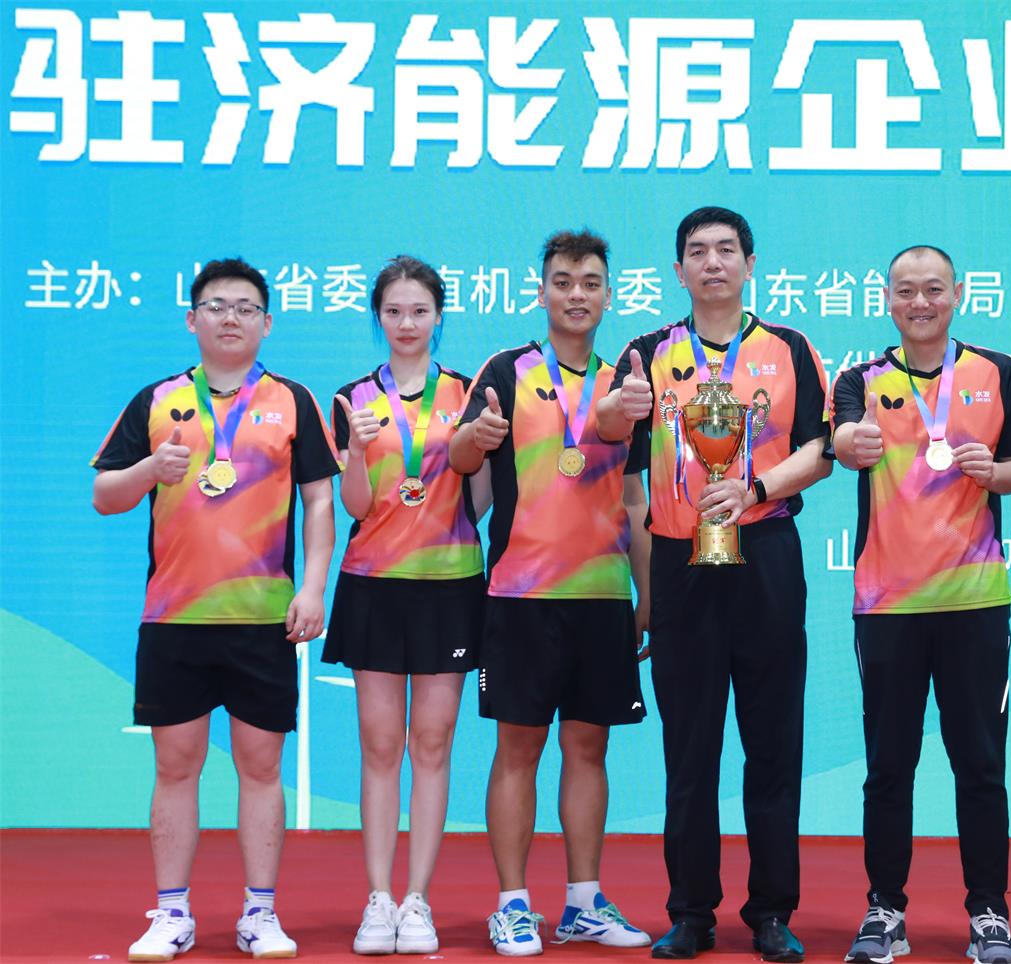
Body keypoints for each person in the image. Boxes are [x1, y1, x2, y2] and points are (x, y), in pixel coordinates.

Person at [595, 206, 833, 962]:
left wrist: (755, 489)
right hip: (680, 562)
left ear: (749, 263)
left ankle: (771, 912)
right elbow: (609, 435)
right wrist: (618, 408)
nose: (713, 263)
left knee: (774, 743)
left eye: (726, 250)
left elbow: (821, 449)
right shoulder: (646, 354)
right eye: (697, 252)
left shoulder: (790, 349)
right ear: (678, 271)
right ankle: (691, 911)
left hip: (766, 553)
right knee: (689, 747)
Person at [93, 258, 338, 961]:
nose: (231, 317)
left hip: (263, 619)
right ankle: (172, 913)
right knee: (176, 768)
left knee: (261, 767)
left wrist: (312, 587)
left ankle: (261, 913)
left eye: (246, 307)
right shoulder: (158, 399)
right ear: (192, 319)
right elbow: (105, 496)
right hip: (174, 619)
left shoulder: (292, 400)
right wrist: (150, 470)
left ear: (267, 323)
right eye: (216, 305)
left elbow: (320, 500)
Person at [448, 229, 653, 958]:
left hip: (602, 596)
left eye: (590, 283)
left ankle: (583, 902)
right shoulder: (506, 370)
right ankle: (511, 904)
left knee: (589, 747)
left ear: (609, 295)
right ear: (541, 292)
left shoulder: (627, 382)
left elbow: (635, 498)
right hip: (519, 595)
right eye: (563, 282)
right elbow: (459, 459)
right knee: (519, 747)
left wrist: (646, 597)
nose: (576, 294)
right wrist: (478, 433)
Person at [832, 245, 1011, 964]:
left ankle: (989, 913)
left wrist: (996, 472)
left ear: (958, 294)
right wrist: (851, 443)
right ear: (887, 298)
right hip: (887, 604)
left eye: (934, 290)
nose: (920, 302)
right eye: (907, 291)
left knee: (980, 764)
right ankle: (885, 909)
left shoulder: (999, 372)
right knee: (888, 766)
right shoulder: (858, 380)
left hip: (974, 601)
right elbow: (842, 443)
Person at [325, 256, 489, 954]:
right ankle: (378, 899)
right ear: (378, 317)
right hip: (373, 584)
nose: (407, 323)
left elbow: (480, 500)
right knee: (380, 744)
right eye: (393, 311)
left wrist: (471, 457)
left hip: (450, 584)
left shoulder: (470, 393)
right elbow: (356, 507)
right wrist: (358, 452)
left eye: (419, 311)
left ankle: (418, 899)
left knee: (432, 742)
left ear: (439, 316)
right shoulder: (352, 400)